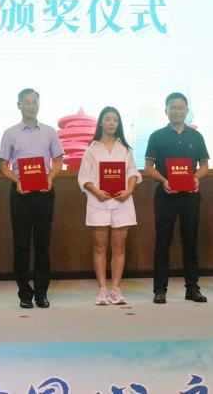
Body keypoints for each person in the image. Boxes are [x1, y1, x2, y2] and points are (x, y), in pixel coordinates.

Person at [0, 88, 64, 309]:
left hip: (45, 193)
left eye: (34, 102)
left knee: (42, 245)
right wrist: (17, 180)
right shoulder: (10, 133)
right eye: (26, 102)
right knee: (21, 245)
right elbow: (3, 166)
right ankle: (24, 293)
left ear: (39, 104)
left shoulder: (49, 132)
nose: (30, 106)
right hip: (20, 193)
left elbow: (58, 161)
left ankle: (41, 293)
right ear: (19, 105)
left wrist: (50, 177)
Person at [144, 92, 209, 304]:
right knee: (163, 242)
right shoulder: (157, 136)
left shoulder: (196, 136)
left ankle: (192, 288)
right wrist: (164, 181)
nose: (177, 111)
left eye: (181, 107)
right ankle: (159, 289)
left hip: (190, 196)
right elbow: (149, 167)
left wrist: (196, 177)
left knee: (190, 241)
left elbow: (204, 165)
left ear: (187, 111)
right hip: (166, 195)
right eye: (173, 107)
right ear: (166, 111)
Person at [78, 107, 142, 305]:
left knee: (119, 247)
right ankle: (102, 290)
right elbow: (83, 178)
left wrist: (129, 190)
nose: (111, 123)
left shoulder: (125, 149)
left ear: (118, 124)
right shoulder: (92, 149)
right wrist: (96, 191)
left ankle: (115, 289)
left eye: (115, 120)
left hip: (122, 202)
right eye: (108, 119)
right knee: (100, 247)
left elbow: (133, 173)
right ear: (101, 122)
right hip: (98, 202)